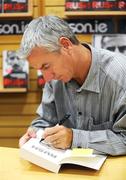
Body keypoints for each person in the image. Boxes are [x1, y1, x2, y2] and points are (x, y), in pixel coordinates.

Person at [18, 15, 126, 156]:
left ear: (66, 45)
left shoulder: (121, 75)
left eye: (46, 66)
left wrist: (74, 138)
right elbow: (46, 120)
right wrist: (34, 134)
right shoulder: (54, 79)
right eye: (40, 69)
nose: (47, 77)